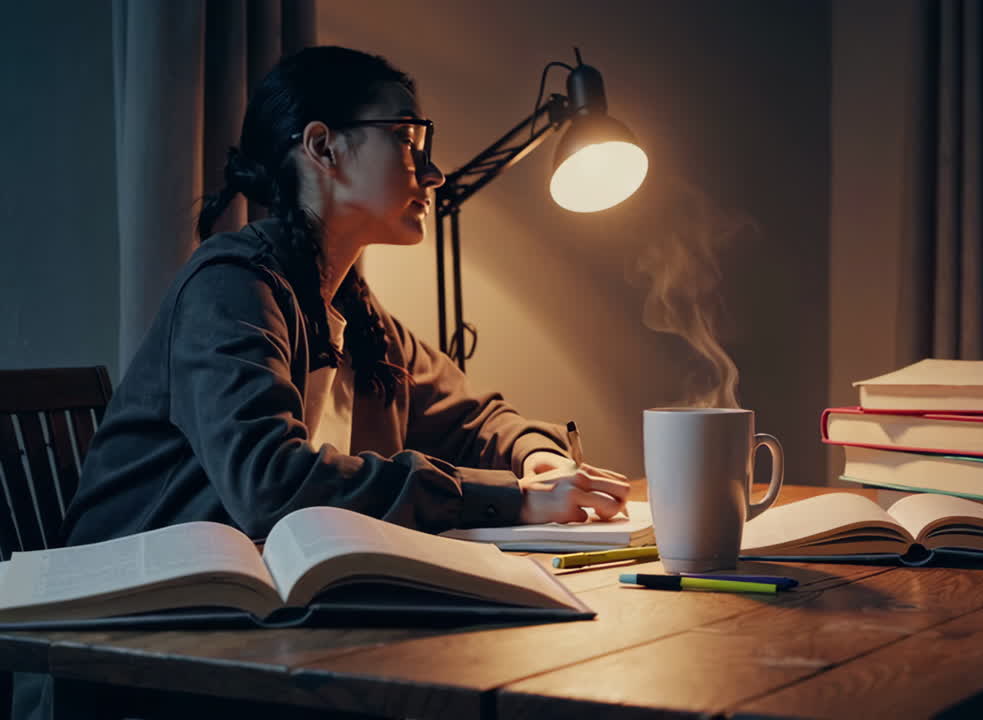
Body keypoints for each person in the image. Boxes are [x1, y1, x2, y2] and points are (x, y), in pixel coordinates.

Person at [13, 45, 629, 720]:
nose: (433, 170)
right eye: (408, 138)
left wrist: (536, 456)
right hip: (141, 651)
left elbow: (475, 418)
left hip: (261, 636)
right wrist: (509, 500)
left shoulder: (358, 316)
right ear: (323, 147)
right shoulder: (230, 287)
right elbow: (270, 484)